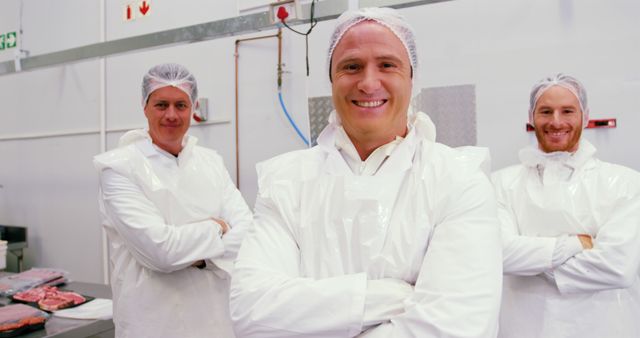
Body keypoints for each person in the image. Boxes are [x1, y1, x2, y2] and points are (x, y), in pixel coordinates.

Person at [229, 7, 502, 338]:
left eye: (387, 65)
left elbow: (454, 327)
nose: (369, 83)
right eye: (351, 67)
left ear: (412, 78)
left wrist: (311, 315)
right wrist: (396, 296)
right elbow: (252, 312)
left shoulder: (458, 180)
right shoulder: (287, 181)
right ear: (332, 80)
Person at [93, 63, 252, 338]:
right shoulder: (119, 168)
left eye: (181, 105)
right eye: (161, 105)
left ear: (193, 108)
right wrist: (217, 227)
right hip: (151, 324)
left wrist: (193, 254)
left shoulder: (210, 163)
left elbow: (249, 234)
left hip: (214, 321)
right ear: (145, 107)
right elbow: (161, 252)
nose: (171, 115)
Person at [493, 73, 640, 338]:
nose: (556, 121)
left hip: (605, 329)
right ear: (531, 117)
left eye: (567, 111)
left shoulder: (626, 184)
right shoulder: (500, 184)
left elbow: (617, 268)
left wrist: (531, 260)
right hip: (523, 329)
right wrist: (576, 244)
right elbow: (500, 255)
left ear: (584, 116)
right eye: (546, 111)